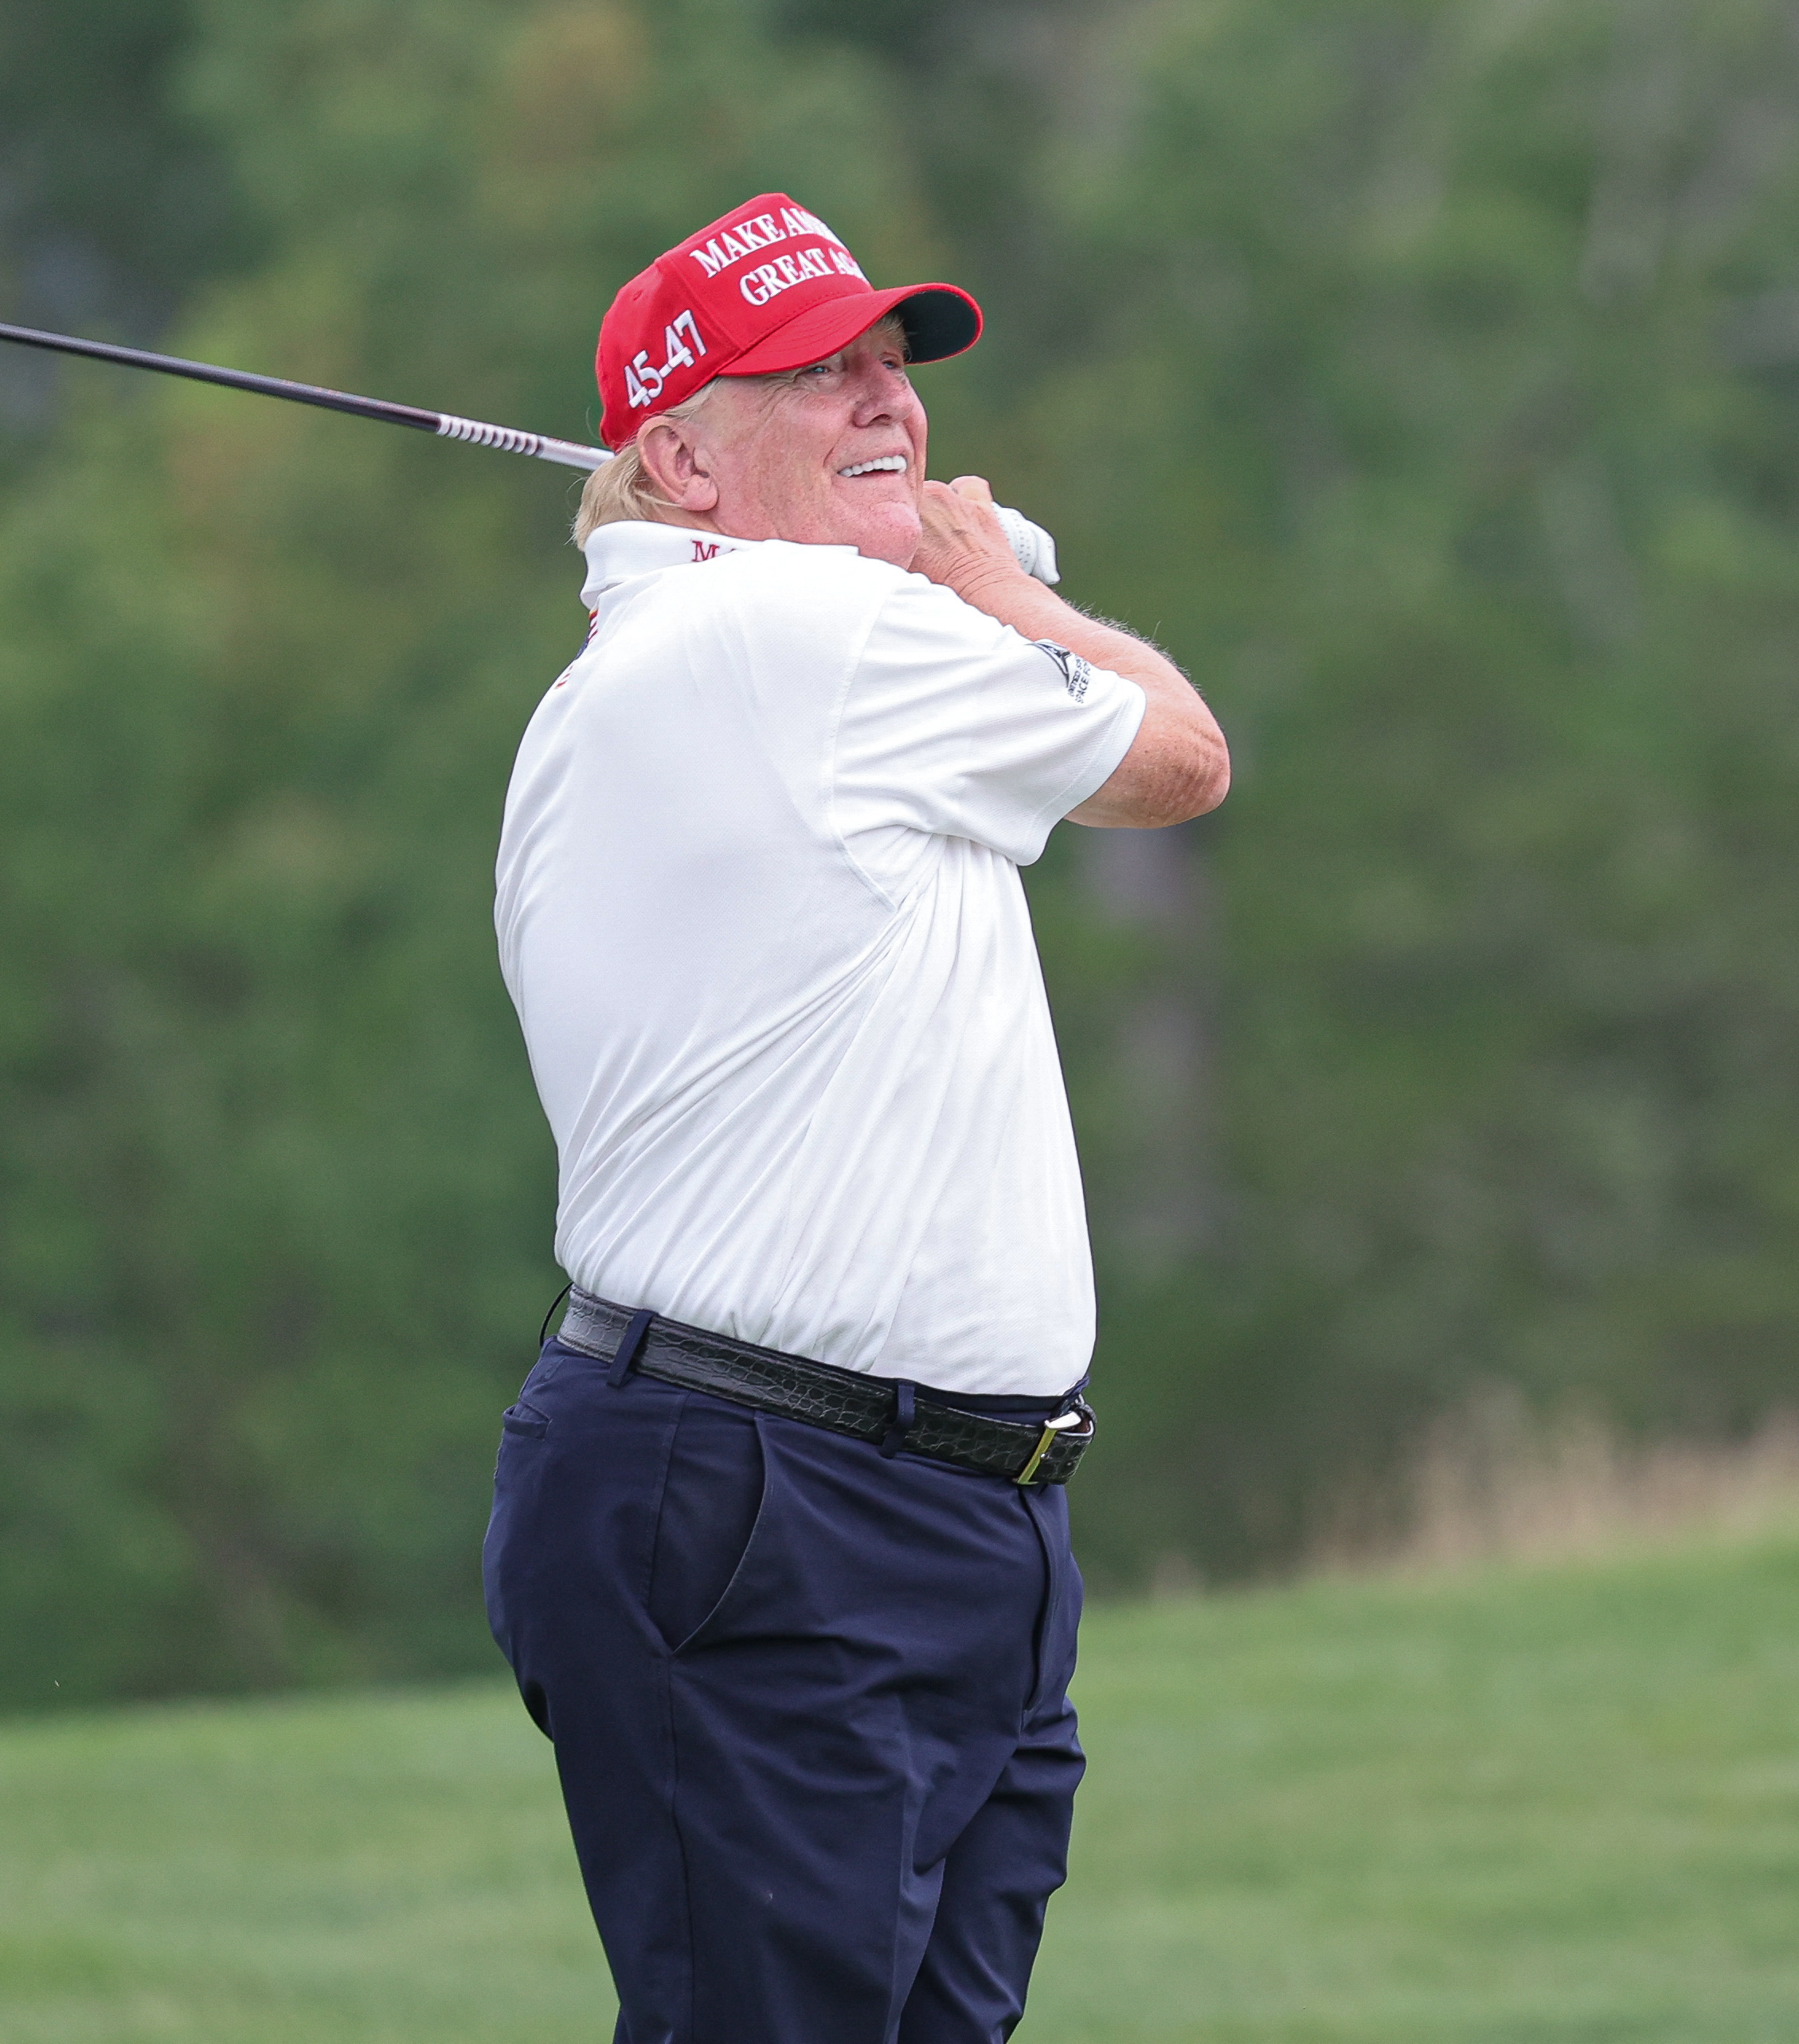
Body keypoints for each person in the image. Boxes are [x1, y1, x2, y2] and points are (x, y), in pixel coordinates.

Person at [485, 191, 1227, 2044]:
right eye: (814, 374)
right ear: (678, 460)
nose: (884, 396)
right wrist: (985, 572)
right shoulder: (790, 647)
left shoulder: (740, 660)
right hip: (773, 1492)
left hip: (922, 1503)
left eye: (888, 361)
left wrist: (941, 560)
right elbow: (1175, 756)